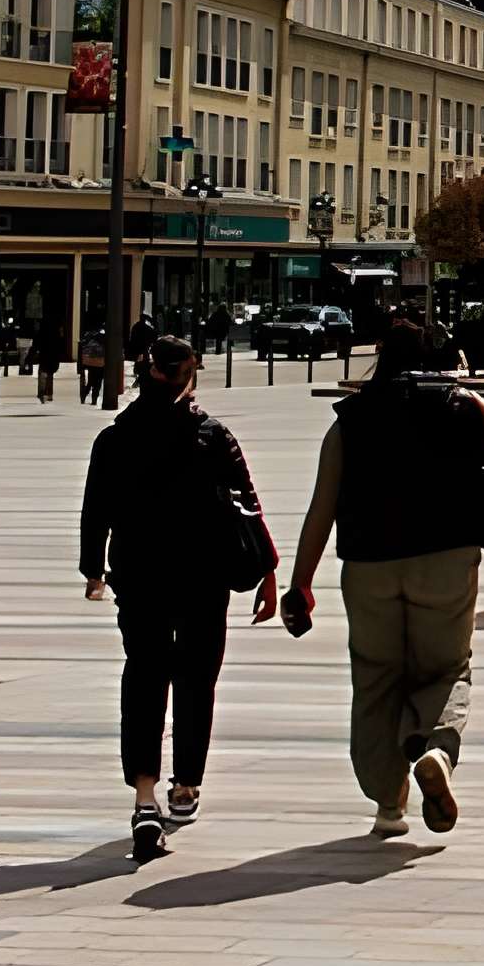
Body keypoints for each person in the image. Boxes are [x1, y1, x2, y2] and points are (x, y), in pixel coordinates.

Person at [283, 316, 484, 839]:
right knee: (446, 669)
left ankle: (388, 807)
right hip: (445, 558)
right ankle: (436, 747)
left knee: (376, 680)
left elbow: (321, 509)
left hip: (369, 565)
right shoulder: (462, 403)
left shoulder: (349, 419)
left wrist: (300, 583)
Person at [78, 337, 277, 862]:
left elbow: (95, 509)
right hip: (201, 577)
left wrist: (93, 571)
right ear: (189, 375)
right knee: (195, 677)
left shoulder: (115, 439)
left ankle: (145, 797)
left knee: (143, 674)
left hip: (139, 576)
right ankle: (185, 784)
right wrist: (269, 572)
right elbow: (248, 503)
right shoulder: (211, 436)